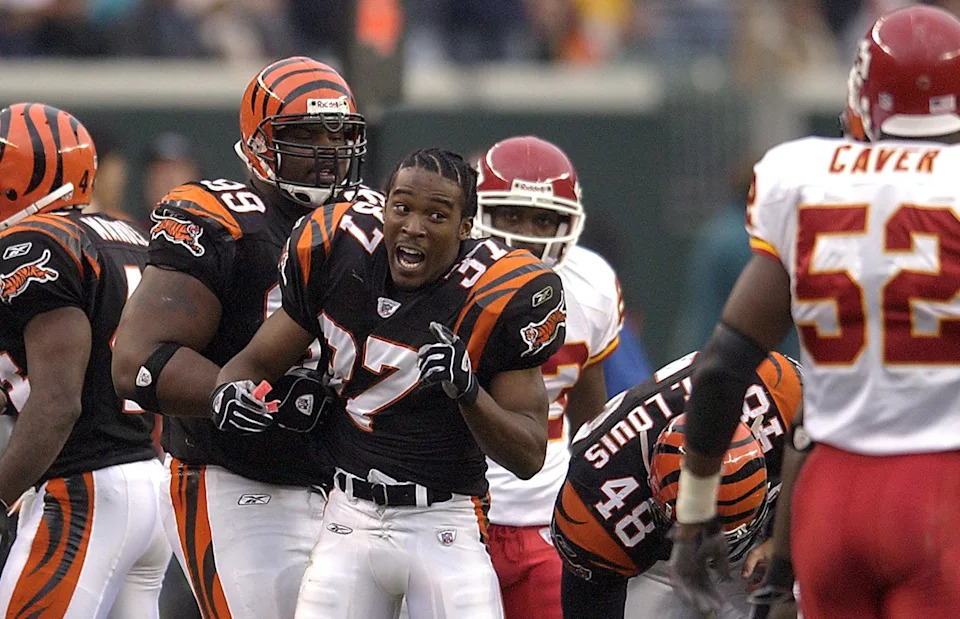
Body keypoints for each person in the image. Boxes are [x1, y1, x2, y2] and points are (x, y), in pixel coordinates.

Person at [669, 5, 960, 617]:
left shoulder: (804, 175)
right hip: (940, 494)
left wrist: (694, 517)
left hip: (830, 498)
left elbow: (723, 366)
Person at [213, 147, 567, 619]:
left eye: (436, 215)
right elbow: (252, 363)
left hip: (443, 521)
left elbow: (528, 455)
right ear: (384, 208)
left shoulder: (499, 294)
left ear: (466, 228)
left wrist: (469, 393)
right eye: (401, 207)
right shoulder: (336, 252)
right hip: (347, 517)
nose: (414, 226)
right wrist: (229, 394)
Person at [111, 56, 381, 618]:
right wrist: (224, 391)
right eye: (305, 135)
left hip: (346, 486)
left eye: (338, 135)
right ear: (258, 142)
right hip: (236, 474)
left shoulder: (371, 222)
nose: (326, 151)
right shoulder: (224, 219)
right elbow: (135, 358)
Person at [0, 103, 170, 617]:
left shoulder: (36, 244)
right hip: (145, 478)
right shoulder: (129, 237)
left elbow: (57, 404)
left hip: (84, 492)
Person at [472, 135, 631, 619]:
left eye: (543, 219)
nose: (525, 233)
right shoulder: (447, 278)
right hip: (453, 510)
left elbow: (591, 417)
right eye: (511, 215)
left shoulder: (592, 284)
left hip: (547, 515)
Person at [552, 351, 802, 619]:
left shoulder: (779, 392)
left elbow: (842, 480)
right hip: (661, 562)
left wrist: (781, 540)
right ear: (655, 494)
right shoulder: (595, 508)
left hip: (774, 527)